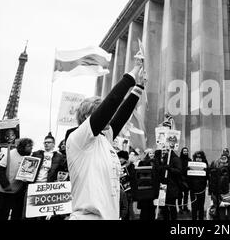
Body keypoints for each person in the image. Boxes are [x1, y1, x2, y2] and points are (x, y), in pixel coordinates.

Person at [65, 58, 146, 220]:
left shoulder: (105, 137)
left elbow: (122, 114)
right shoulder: (78, 139)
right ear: (86, 117)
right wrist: (134, 70)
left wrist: (140, 86)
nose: (109, 119)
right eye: (102, 114)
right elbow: (112, 102)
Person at [0, 138, 33, 220]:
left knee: (16, 213)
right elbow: (0, 169)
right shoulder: (11, 154)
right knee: (2, 213)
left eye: (31, 146)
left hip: (17, 190)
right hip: (4, 190)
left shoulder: (28, 156)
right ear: (22, 146)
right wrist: (6, 185)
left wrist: (26, 179)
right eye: (29, 146)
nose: (31, 148)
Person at [208, 152, 230, 220]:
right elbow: (213, 182)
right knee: (221, 210)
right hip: (219, 191)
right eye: (222, 158)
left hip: (228, 190)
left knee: (229, 209)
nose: (223, 160)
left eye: (225, 158)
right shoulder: (216, 169)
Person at [156, 148, 182, 220]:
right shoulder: (163, 159)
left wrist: (170, 168)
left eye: (166, 150)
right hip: (163, 186)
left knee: (172, 206)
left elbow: (179, 171)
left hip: (172, 186)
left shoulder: (175, 159)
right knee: (163, 206)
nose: (164, 152)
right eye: (163, 150)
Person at [135, 149, 159, 220]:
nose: (152, 154)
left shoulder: (156, 162)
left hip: (153, 189)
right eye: (150, 153)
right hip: (144, 189)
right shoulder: (142, 163)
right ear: (147, 154)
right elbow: (139, 175)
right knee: (144, 209)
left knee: (152, 208)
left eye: (153, 153)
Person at [187, 151, 208, 220]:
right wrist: (187, 170)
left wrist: (206, 171)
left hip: (202, 190)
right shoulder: (191, 166)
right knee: (194, 207)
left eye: (200, 157)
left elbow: (208, 177)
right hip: (193, 190)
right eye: (197, 157)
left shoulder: (205, 165)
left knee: (201, 207)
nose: (198, 159)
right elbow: (188, 178)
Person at [178, 147, 191, 214]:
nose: (185, 152)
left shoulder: (189, 160)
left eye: (186, 151)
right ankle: (180, 208)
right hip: (180, 179)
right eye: (184, 151)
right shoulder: (179, 160)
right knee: (180, 195)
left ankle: (185, 207)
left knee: (186, 194)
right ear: (182, 152)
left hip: (187, 180)